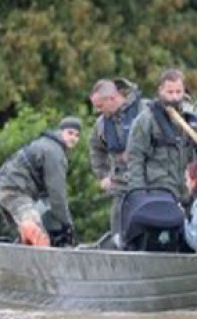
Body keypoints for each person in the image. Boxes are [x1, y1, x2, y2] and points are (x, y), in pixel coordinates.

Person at [126, 69, 197, 204]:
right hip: (158, 191)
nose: (174, 97)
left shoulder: (193, 118)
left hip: (190, 190)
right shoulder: (146, 119)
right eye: (170, 92)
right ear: (160, 90)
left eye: (178, 92)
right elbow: (135, 158)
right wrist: (138, 193)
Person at [0, 117, 82, 247]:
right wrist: (67, 225)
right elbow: (57, 194)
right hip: (15, 191)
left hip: (8, 188)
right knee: (38, 237)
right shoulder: (55, 152)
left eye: (77, 135)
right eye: (70, 133)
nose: (73, 138)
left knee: (27, 239)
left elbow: (46, 195)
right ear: (60, 132)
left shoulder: (44, 144)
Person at [88, 78, 147, 243]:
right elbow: (95, 149)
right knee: (117, 228)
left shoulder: (145, 111)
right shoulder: (101, 124)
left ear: (112, 98)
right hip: (120, 185)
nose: (98, 111)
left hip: (148, 183)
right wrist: (103, 175)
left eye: (100, 106)